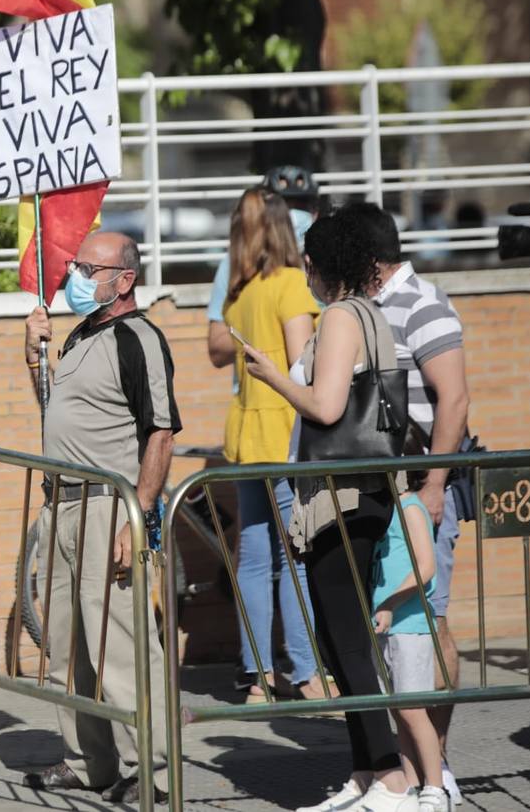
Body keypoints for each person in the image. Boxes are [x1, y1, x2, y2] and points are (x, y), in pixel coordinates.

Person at [245, 212, 418, 812]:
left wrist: (272, 377)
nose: (306, 274)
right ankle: (366, 774)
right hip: (351, 491)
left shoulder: (344, 317)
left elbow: (325, 406)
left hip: (343, 496)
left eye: (309, 264)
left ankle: (392, 778)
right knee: (334, 633)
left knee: (345, 636)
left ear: (323, 265)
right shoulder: (365, 313)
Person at [21, 231, 176, 805]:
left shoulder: (139, 338)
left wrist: (136, 515)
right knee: (68, 647)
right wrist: (35, 354)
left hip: (108, 507)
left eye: (89, 267)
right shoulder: (84, 333)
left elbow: (161, 432)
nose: (75, 276)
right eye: (76, 265)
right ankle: (90, 761)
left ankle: (153, 770)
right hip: (61, 506)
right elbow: (59, 408)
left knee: (121, 646)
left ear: (124, 279)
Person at [343, 200, 470, 807]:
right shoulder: (371, 307)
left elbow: (454, 400)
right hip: (389, 491)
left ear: (368, 261)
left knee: (430, 624)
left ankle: (436, 768)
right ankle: (412, 768)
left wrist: (436, 484)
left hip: (422, 487)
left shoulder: (423, 305)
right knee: (400, 636)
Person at [220, 188, 326, 703]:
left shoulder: (240, 292)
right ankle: (307, 673)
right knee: (297, 558)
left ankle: (258, 677)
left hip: (245, 437)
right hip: (284, 435)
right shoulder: (289, 285)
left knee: (256, 560)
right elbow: (304, 365)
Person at [371, 444, 446, 812]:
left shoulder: (411, 507)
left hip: (410, 624)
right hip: (388, 625)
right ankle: (413, 784)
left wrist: (390, 603)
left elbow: (426, 567)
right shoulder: (387, 510)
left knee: (413, 710)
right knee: (399, 711)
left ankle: (436, 786)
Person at [208, 165, 319, 369]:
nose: (291, 214)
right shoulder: (236, 263)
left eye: (301, 204)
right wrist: (265, 326)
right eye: (283, 204)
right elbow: (304, 368)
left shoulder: (327, 261)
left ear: (315, 211)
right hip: (266, 393)